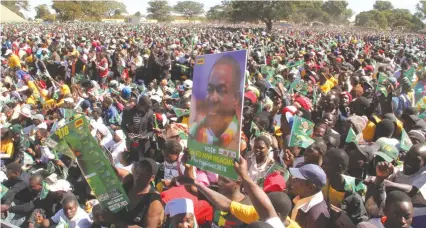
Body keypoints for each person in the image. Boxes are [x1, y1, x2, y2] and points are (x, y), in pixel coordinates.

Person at [189, 55, 243, 151]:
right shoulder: (192, 134)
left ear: (236, 98)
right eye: (210, 89)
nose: (213, 98)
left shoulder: (240, 144)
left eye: (221, 90)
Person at [321, 148, 368, 224]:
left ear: (339, 168)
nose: (321, 166)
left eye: (326, 164)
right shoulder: (321, 184)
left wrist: (342, 217)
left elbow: (361, 223)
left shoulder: (356, 190)